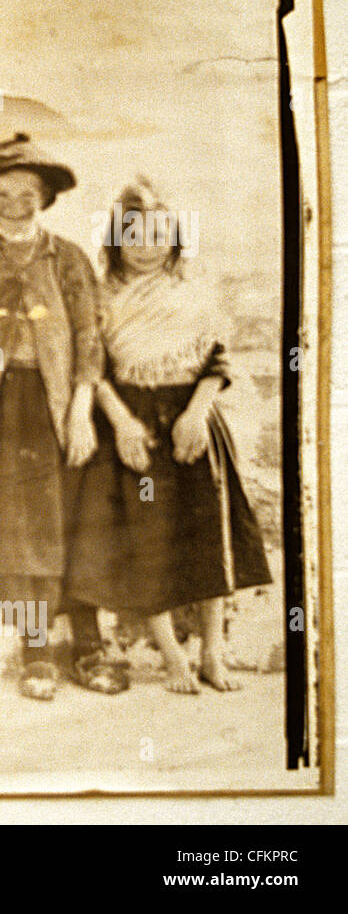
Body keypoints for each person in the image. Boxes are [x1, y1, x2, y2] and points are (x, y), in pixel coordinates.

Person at [0, 132, 120, 700]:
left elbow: (89, 337)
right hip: (2, 406)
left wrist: (82, 412)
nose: (15, 206)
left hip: (63, 404)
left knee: (78, 517)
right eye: (1, 194)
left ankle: (88, 645)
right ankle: (36, 651)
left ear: (46, 199)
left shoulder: (68, 258)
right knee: (20, 527)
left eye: (27, 195)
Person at [66, 179, 272, 693]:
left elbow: (216, 358)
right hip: (133, 423)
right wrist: (121, 422)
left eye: (157, 235)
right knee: (147, 535)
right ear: (115, 240)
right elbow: (93, 367)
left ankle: (212, 653)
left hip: (190, 421)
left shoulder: (194, 291)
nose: (145, 247)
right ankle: (172, 655)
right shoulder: (100, 294)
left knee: (210, 535)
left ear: (175, 239)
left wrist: (197, 413)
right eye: (132, 235)